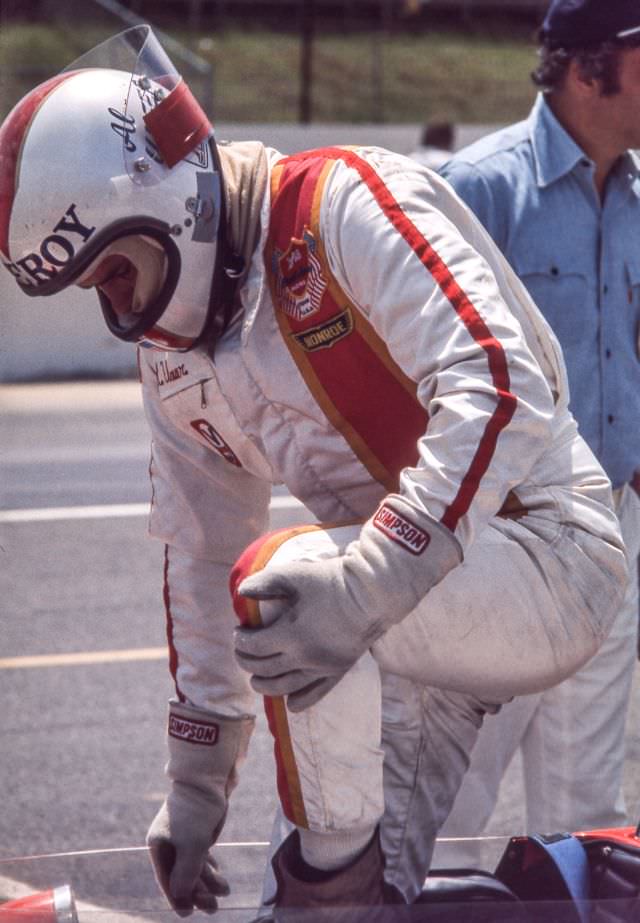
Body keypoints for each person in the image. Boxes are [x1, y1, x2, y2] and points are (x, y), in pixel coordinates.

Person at [0, 24, 628, 920]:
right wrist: (197, 784)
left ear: (170, 199)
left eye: (113, 273)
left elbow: (501, 384)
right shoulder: (174, 354)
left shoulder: (342, 201)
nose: (120, 310)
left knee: (284, 585)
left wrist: (370, 580)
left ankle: (337, 867)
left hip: (547, 551)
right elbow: (199, 549)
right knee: (329, 912)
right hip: (407, 616)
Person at [434, 0, 640, 868]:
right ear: (592, 69)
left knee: (589, 805)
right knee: (447, 795)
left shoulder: (637, 194)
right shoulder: (477, 190)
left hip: (610, 541)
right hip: (497, 548)